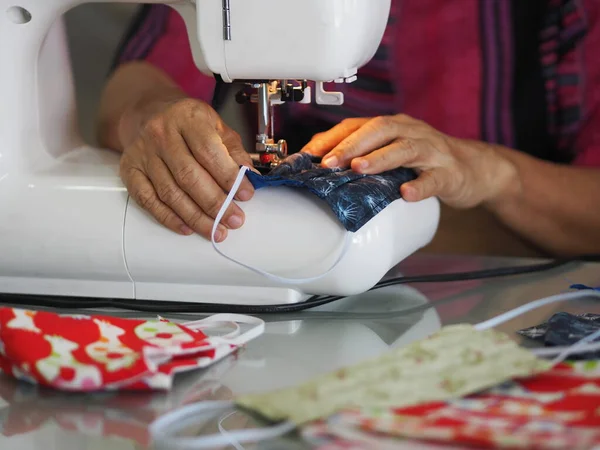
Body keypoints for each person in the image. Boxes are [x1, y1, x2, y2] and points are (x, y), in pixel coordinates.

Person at [97, 0, 600, 257]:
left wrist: (493, 173)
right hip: (310, 275)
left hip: (512, 292)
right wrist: (153, 114)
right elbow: (139, 80)